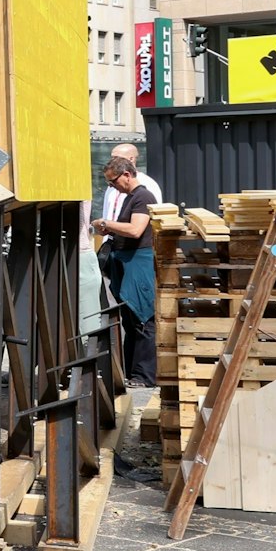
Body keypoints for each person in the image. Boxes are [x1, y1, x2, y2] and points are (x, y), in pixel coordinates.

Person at [97, 156, 158, 386]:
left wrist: (106, 224)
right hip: (127, 263)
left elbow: (135, 230)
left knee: (141, 318)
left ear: (127, 175)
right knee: (130, 321)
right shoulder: (130, 197)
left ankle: (144, 376)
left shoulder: (142, 197)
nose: (112, 186)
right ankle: (133, 373)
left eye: (113, 181)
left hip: (137, 263)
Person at [98, 143, 163, 224]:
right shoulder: (112, 184)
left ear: (131, 159)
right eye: (112, 158)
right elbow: (107, 212)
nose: (112, 161)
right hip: (112, 234)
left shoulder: (148, 184)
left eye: (117, 158)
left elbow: (155, 214)